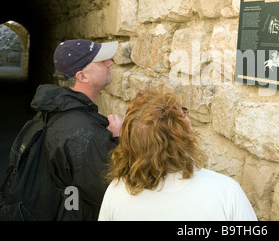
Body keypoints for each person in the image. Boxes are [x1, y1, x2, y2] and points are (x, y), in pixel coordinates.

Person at [98, 88, 258, 221]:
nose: (187, 118)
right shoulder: (225, 192)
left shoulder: (117, 192)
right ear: (183, 139)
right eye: (182, 116)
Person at [23, 39, 122, 220]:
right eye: (101, 62)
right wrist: (118, 140)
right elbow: (108, 192)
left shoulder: (55, 109)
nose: (110, 63)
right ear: (82, 76)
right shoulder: (83, 131)